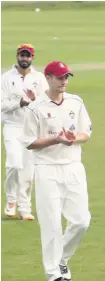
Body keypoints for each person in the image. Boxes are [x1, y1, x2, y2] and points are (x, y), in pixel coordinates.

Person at [23, 60, 92, 281]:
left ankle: (62, 258)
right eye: (60, 77)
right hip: (46, 169)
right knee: (51, 223)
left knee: (82, 221)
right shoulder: (36, 108)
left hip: (73, 166)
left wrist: (74, 138)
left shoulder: (76, 102)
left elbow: (86, 132)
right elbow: (30, 142)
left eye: (66, 77)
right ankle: (54, 276)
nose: (64, 81)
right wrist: (56, 139)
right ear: (48, 78)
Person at [1, 43, 48, 219]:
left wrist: (35, 101)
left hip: (31, 128)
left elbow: (45, 104)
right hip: (12, 126)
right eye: (22, 55)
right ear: (17, 56)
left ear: (32, 58)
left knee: (28, 170)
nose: (24, 59)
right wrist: (20, 103)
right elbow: (1, 105)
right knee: (14, 164)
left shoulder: (39, 78)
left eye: (28, 56)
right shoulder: (5, 78)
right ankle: (11, 201)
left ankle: (25, 208)